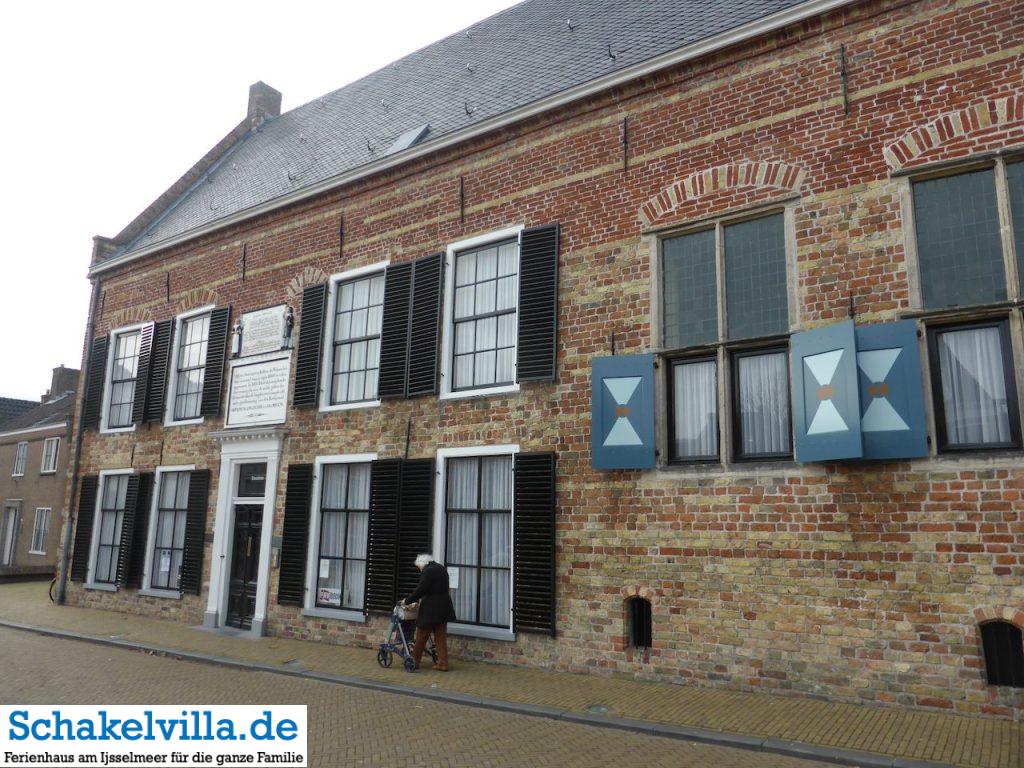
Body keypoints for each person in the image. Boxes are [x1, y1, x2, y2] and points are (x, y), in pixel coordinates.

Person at [403, 554, 457, 671]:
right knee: (440, 636)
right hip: (444, 607)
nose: (420, 570)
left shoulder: (427, 572)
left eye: (419, 567)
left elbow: (420, 590)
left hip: (431, 608)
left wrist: (407, 601)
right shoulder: (441, 568)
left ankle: (414, 662)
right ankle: (443, 663)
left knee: (421, 635)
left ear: (422, 564)